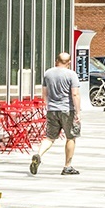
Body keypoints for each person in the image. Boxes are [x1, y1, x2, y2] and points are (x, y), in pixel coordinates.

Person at [33, 49, 79, 177]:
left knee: (50, 137)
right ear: (69, 62)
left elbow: (44, 93)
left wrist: (47, 106)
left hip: (52, 109)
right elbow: (75, 94)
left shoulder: (48, 73)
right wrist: (78, 112)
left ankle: (39, 154)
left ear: (56, 61)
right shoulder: (71, 74)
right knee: (71, 137)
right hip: (67, 109)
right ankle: (67, 166)